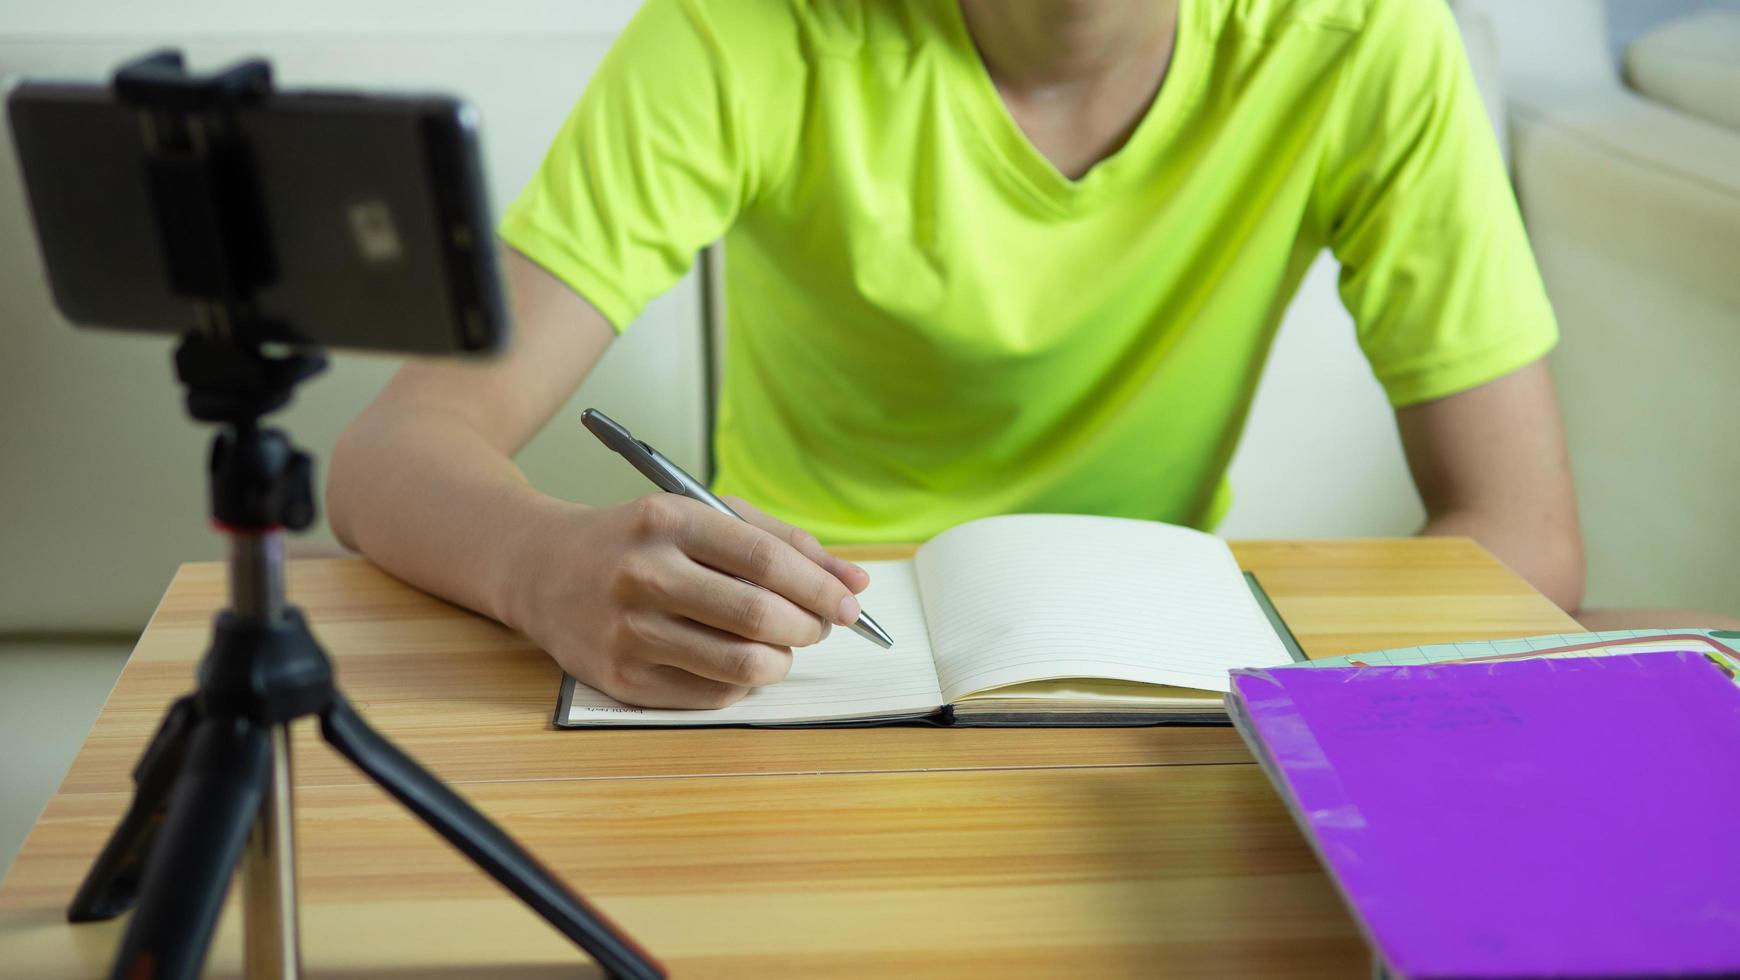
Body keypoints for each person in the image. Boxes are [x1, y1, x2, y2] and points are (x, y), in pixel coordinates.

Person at [328, 0, 1588, 709]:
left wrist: (1285, 680)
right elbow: (392, 450)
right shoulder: (740, 32)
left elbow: (1525, 531)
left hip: (1172, 690)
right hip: (797, 666)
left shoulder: (1367, 40)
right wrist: (542, 562)